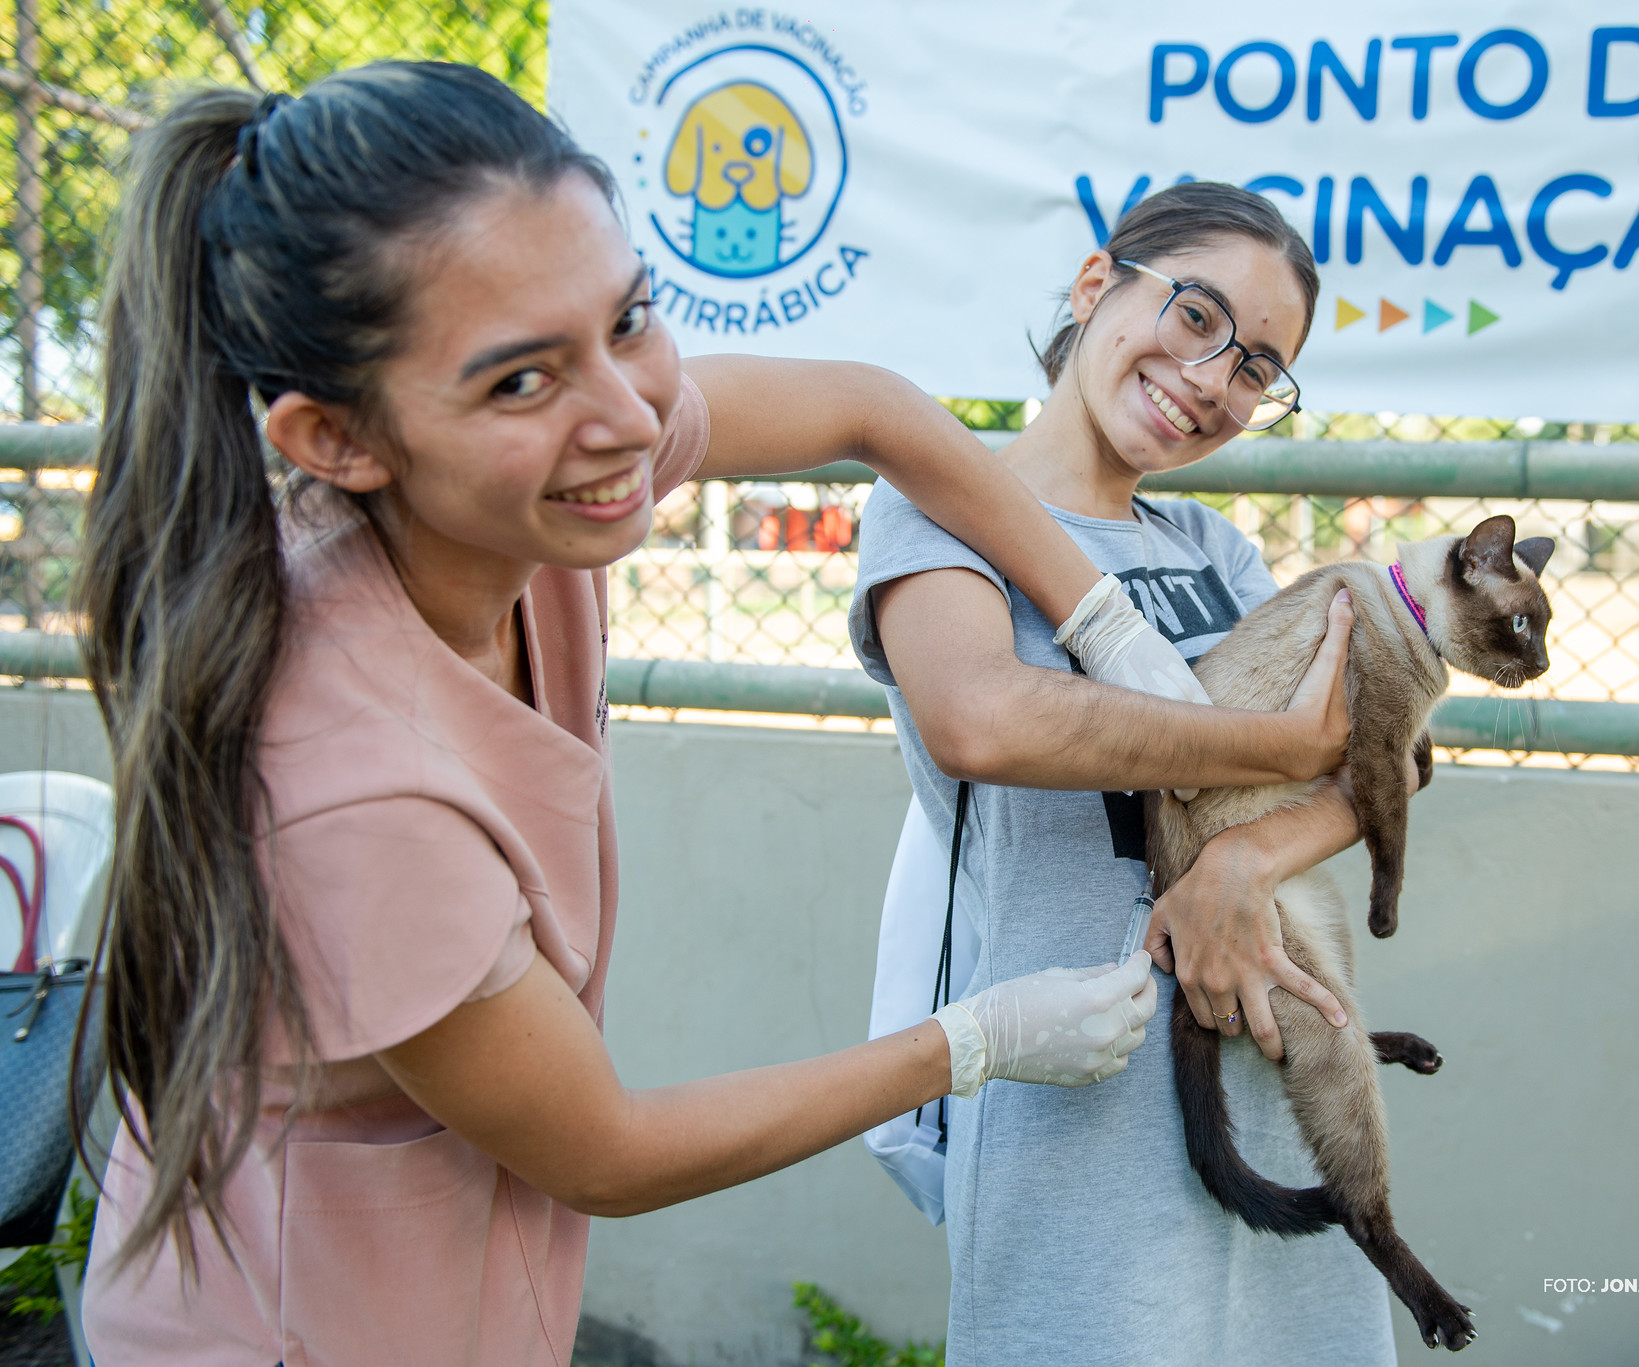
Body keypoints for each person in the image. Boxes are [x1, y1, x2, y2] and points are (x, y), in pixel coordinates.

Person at [69, 65, 1352, 1365]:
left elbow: (875, 408)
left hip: (459, 1282)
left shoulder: (542, 469)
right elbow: (606, 1149)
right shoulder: (355, 785)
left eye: (631, 318)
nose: (634, 420)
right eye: (522, 380)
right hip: (278, 1325)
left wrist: (1103, 618)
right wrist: (975, 1038)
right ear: (336, 439)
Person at [850, 181, 1401, 1365]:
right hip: (1073, 1076)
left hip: (1260, 1053)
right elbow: (985, 720)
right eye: (1197, 317)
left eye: (1256, 366)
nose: (1212, 379)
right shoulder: (932, 513)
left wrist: (1237, 865)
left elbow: (1379, 759)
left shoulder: (1211, 551)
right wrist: (1273, 749)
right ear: (1098, 284)